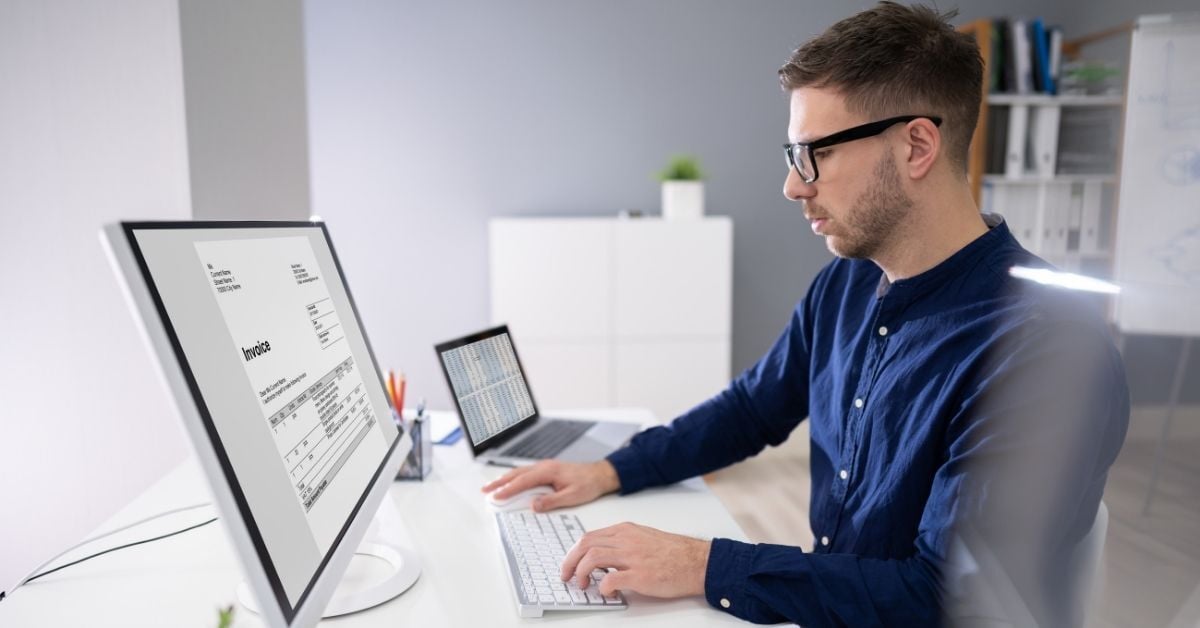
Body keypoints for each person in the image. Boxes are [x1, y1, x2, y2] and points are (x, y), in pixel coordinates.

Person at [483, 3, 1129, 625]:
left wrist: (703, 564)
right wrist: (610, 470)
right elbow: (752, 409)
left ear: (916, 147)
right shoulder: (845, 286)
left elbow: (939, 599)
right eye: (793, 156)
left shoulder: (1045, 351)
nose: (794, 185)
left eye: (814, 153)